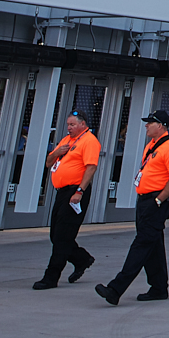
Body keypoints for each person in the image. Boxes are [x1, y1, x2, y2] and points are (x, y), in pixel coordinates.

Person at [95, 109, 169, 304]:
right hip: (145, 201)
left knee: (142, 244)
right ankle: (159, 287)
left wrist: (159, 200)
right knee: (153, 245)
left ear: (160, 126)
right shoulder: (152, 146)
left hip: (156, 202)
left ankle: (115, 289)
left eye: (150, 122)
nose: (146, 125)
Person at [33, 110, 100, 289]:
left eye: (72, 124)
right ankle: (81, 259)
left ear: (83, 124)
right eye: (68, 124)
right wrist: (57, 153)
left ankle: (51, 276)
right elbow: (48, 163)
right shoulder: (66, 141)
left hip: (75, 190)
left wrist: (80, 191)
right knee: (56, 234)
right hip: (61, 191)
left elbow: (91, 167)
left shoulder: (89, 141)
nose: (69, 128)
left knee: (63, 235)